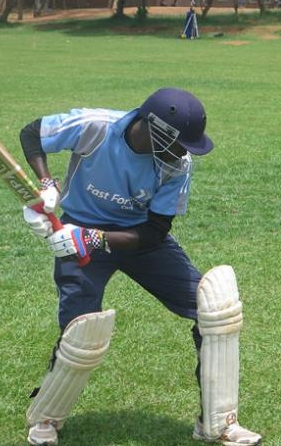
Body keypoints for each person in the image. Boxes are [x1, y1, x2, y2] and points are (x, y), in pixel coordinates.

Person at [19, 88, 262, 446]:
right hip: (77, 229)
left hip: (137, 240)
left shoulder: (177, 164)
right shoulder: (95, 126)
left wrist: (95, 238)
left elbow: (155, 231)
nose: (184, 153)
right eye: (181, 143)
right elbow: (32, 134)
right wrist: (45, 183)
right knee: (79, 331)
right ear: (155, 129)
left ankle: (218, 423)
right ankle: (46, 418)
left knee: (214, 312)